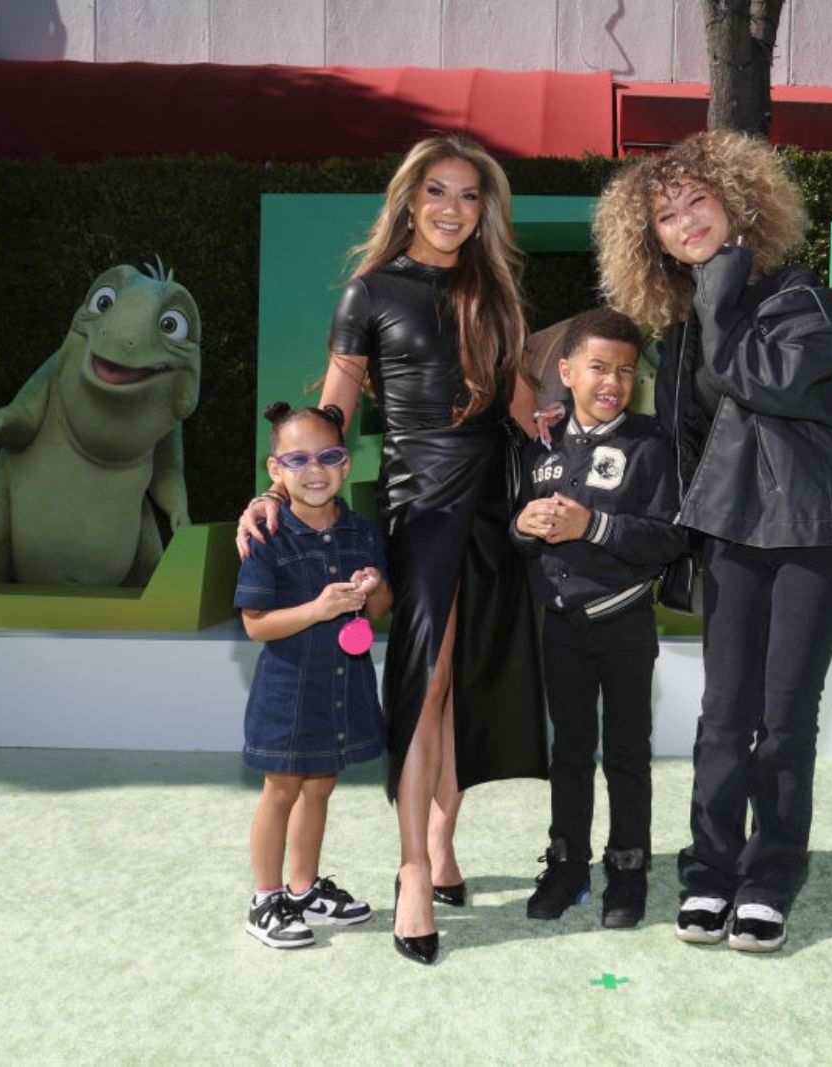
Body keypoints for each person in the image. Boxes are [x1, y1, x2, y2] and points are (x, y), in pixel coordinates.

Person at [237, 136, 547, 966]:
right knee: (426, 678)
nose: (453, 208)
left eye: (470, 195)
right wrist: (274, 489)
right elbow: (331, 412)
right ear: (410, 199)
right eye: (437, 191)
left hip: (496, 503)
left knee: (466, 682)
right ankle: (413, 867)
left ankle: (444, 839)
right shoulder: (369, 291)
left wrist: (569, 435)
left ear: (486, 208)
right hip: (423, 504)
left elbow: (523, 404)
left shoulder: (496, 289)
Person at [593, 130, 832, 953]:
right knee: (723, 713)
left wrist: (716, 292)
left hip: (815, 532)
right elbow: (686, 442)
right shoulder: (682, 336)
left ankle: (770, 876)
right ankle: (710, 871)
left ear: (739, 204)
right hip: (733, 537)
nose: (685, 224)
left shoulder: (804, 300)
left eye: (698, 203)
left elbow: (768, 381)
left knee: (784, 718)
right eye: (667, 218)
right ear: (652, 241)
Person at [509, 307, 687, 929]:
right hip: (560, 626)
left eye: (625, 371)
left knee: (628, 753)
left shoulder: (650, 443)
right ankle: (566, 864)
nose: (612, 382)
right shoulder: (541, 442)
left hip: (625, 623)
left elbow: (669, 539)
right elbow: (518, 528)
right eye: (597, 368)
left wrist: (594, 525)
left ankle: (629, 870)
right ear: (566, 371)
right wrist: (522, 527)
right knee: (571, 752)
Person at [236, 402, 392, 949]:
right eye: (297, 459)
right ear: (275, 470)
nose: (314, 469)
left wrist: (374, 587)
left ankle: (302, 889)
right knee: (281, 790)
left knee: (321, 785)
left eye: (328, 456)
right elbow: (256, 626)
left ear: (346, 465)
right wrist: (318, 610)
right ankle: (265, 899)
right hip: (288, 692)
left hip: (342, 687)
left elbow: (380, 612)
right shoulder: (267, 535)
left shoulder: (363, 532)